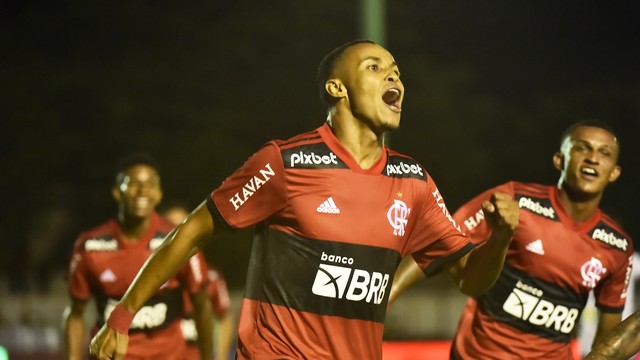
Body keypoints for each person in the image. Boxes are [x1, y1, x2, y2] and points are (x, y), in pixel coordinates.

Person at [89, 40, 520, 360]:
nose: (394, 77)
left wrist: (499, 238)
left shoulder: (414, 182)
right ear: (337, 88)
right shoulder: (286, 162)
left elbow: (471, 280)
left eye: (396, 71)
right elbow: (191, 233)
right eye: (375, 67)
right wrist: (121, 317)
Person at [390, 120, 634, 359]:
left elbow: (608, 335)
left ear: (614, 172)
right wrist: (387, 295)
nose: (592, 158)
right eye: (582, 148)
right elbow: (441, 241)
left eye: (604, 152)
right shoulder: (516, 201)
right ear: (560, 160)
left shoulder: (618, 246)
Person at [63, 153, 214, 360]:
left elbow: (202, 305)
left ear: (159, 193)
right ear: (117, 192)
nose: (143, 190)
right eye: (133, 183)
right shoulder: (89, 246)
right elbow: (75, 313)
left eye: (150, 184)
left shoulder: (179, 240)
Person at [161, 203, 235, 360]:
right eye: (171, 227)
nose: (178, 233)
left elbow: (224, 318)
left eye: (183, 225)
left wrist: (221, 357)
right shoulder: (152, 278)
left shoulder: (211, 275)